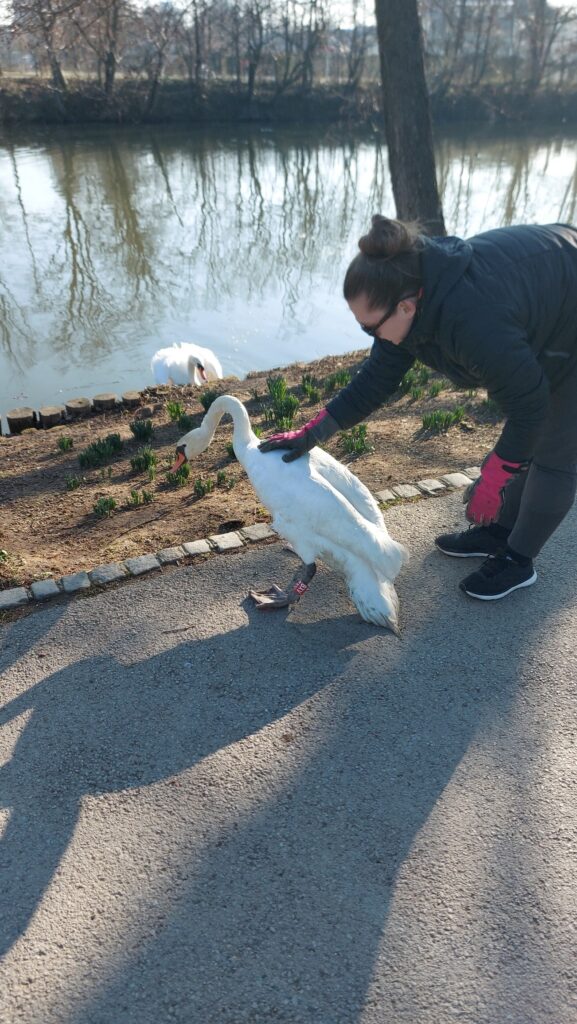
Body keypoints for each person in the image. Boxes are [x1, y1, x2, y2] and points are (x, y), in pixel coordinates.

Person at [259, 214, 577, 602]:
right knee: (527, 439)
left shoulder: (473, 321)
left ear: (407, 308)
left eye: (370, 327)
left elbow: (529, 409)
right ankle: (500, 533)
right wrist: (312, 433)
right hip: (545, 304)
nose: (370, 335)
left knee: (554, 451)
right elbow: (374, 381)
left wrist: (494, 480)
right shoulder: (409, 294)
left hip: (568, 314)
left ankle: (518, 560)